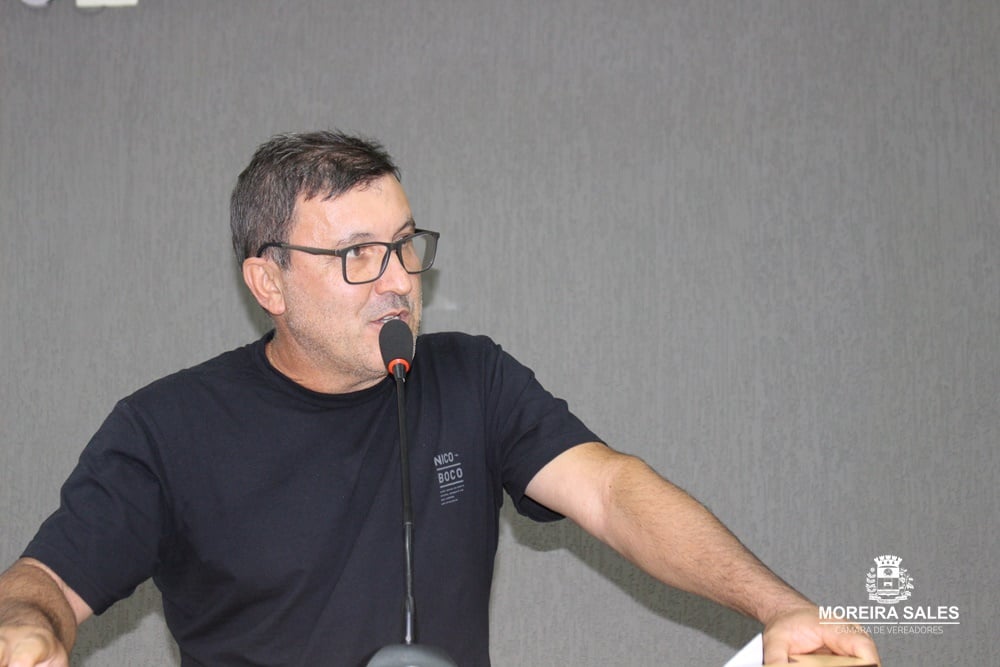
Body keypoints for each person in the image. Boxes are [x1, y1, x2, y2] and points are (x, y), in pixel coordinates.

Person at [0, 131, 880, 667]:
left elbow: (614, 492)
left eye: (404, 245)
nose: (397, 278)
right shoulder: (166, 428)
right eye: (357, 255)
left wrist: (779, 606)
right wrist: (27, 628)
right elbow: (45, 583)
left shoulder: (471, 378)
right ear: (269, 282)